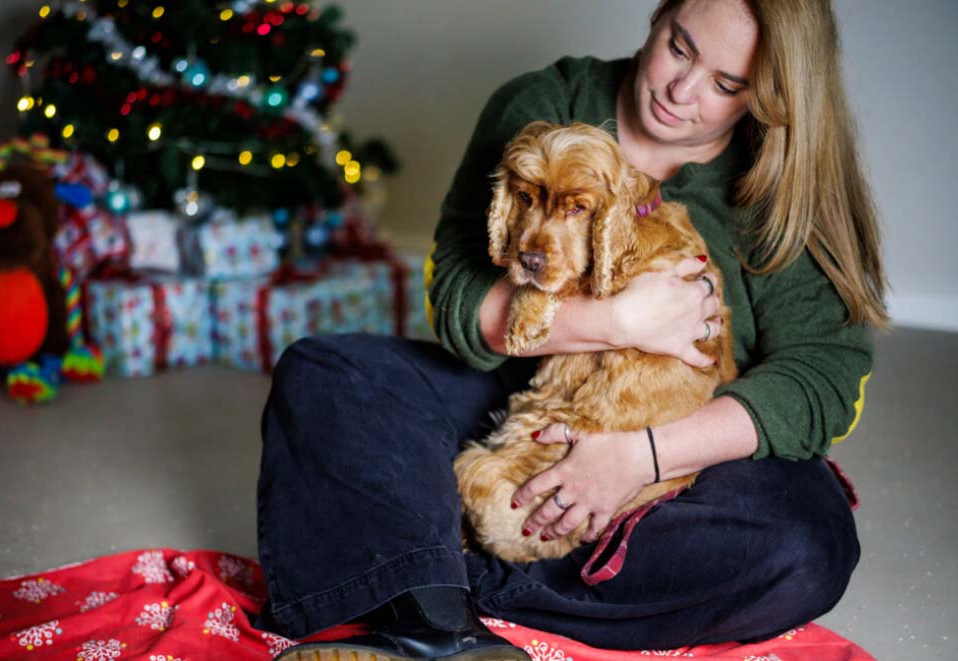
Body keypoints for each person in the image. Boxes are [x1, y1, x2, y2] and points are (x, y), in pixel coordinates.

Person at [257, 0, 888, 658]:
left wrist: (635, 456)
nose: (681, 89)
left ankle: (427, 586)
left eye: (727, 84)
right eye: (679, 47)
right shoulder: (547, 104)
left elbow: (823, 378)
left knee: (810, 540)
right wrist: (617, 320)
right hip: (512, 403)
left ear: (768, 99)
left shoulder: (780, 183)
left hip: (676, 458)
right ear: (658, 18)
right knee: (327, 374)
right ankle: (439, 612)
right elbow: (457, 297)